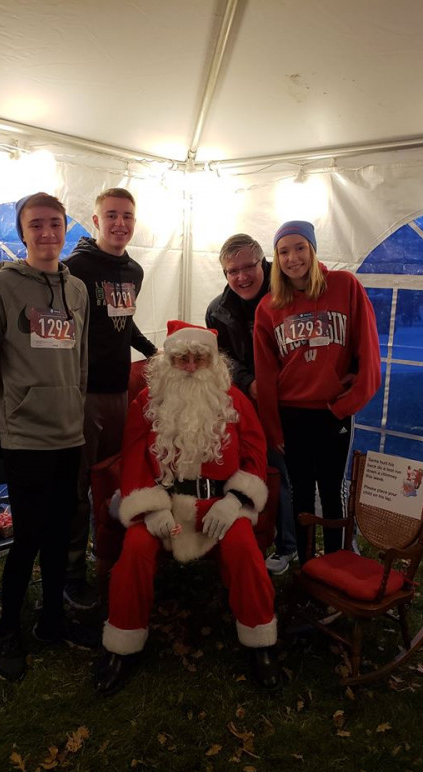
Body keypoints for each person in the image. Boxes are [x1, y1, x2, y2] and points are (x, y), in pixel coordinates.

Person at [93, 320, 281, 694]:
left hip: (219, 504)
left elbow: (256, 454)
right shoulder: (147, 402)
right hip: (163, 504)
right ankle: (121, 646)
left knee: (244, 549)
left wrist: (235, 500)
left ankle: (260, 643)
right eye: (182, 359)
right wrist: (152, 508)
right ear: (170, 362)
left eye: (199, 358)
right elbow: (133, 459)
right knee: (135, 551)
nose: (191, 367)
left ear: (213, 361)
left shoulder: (234, 400)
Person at [0, 192, 96, 682]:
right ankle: (8, 629)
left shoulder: (77, 289)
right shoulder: (1, 286)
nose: (47, 233)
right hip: (24, 435)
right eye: (36, 224)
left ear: (66, 229)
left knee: (60, 534)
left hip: (68, 434)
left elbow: (79, 360)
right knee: (28, 539)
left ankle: (52, 621)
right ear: (22, 233)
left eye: (55, 223)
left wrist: (78, 411)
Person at [254, 221, 381, 564]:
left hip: (332, 411)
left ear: (312, 249)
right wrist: (273, 428)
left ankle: (336, 561)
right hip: (291, 415)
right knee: (301, 494)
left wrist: (347, 404)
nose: (292, 258)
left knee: (332, 491)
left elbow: (369, 351)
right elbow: (266, 374)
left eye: (300, 248)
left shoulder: (344, 285)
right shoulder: (268, 307)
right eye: (283, 251)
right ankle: (308, 566)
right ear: (276, 258)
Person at [63, 188, 157, 610]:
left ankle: (109, 559)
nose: (120, 223)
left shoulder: (134, 270)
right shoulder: (75, 268)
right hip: (82, 395)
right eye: (112, 215)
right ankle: (71, 574)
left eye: (128, 216)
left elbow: (125, 322)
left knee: (113, 482)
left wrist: (153, 352)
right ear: (96, 221)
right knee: (76, 487)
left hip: (119, 393)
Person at [205, 234, 297, 575]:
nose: (242, 277)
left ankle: (338, 544)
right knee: (276, 473)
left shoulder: (291, 292)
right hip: (253, 404)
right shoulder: (217, 310)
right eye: (233, 271)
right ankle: (287, 545)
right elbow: (223, 360)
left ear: (264, 264)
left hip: (297, 399)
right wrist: (250, 384)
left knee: (316, 475)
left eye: (249, 267)